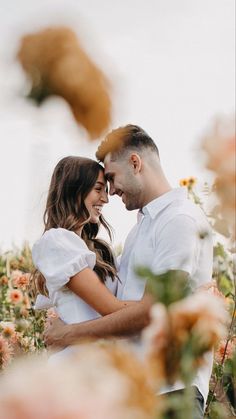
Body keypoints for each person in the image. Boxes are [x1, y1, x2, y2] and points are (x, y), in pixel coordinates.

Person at [44, 125, 213, 416]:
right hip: (136, 394)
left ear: (135, 163)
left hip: (170, 391)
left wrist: (68, 334)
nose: (110, 191)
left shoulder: (178, 219)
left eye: (110, 178)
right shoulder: (139, 232)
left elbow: (150, 312)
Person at [32, 155, 138, 360]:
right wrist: (168, 306)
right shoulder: (56, 242)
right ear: (75, 190)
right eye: (98, 189)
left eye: (106, 190)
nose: (106, 199)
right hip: (75, 365)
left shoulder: (99, 249)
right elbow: (111, 308)